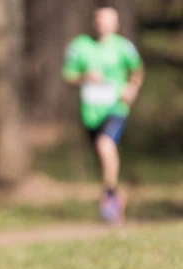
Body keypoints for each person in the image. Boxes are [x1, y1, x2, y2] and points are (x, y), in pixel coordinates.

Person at [63, 4, 144, 224]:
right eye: (99, 19)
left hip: (116, 107)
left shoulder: (123, 47)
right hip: (91, 112)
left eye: (108, 19)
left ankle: (108, 198)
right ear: (93, 21)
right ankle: (116, 195)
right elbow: (68, 75)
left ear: (116, 23)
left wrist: (132, 88)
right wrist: (85, 77)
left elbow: (137, 70)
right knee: (102, 157)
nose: (103, 23)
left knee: (105, 146)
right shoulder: (80, 46)